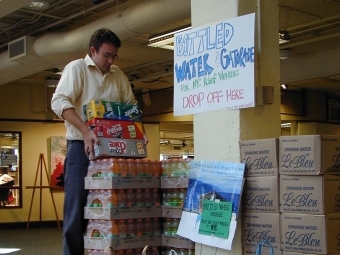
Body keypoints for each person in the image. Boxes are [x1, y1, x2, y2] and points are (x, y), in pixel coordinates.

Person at [51, 28, 147, 255]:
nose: (111, 60)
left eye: (114, 56)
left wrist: (139, 133)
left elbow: (131, 109)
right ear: (93, 50)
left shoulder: (119, 75)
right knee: (75, 215)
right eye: (106, 55)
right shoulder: (77, 69)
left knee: (115, 211)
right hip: (81, 150)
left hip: (115, 153)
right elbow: (58, 102)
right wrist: (85, 131)